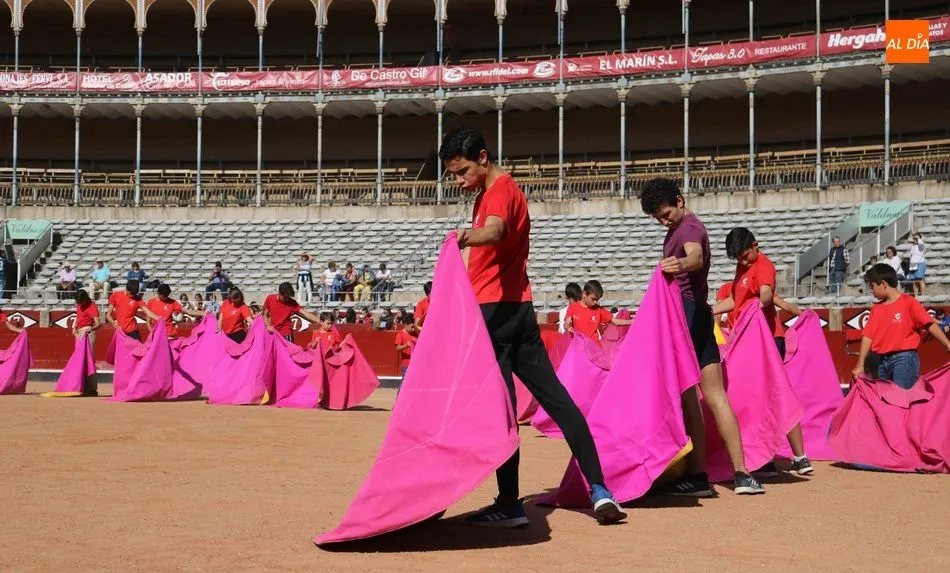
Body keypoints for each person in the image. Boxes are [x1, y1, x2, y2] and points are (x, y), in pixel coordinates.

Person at [440, 126, 625, 527]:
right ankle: (599, 490)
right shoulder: (501, 191)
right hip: (519, 311)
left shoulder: (499, 192)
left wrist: (463, 238)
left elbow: (496, 230)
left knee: (502, 412)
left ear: (484, 159)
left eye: (462, 172)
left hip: (493, 315)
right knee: (557, 400)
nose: (459, 181)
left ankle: (509, 504)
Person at [640, 178, 764, 497]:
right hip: (700, 315)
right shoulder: (678, 229)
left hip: (685, 316)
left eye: (665, 213)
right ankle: (740, 474)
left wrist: (679, 264)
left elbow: (694, 257)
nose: (663, 221)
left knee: (688, 395)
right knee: (713, 394)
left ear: (680, 201)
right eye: (657, 218)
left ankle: (697, 475)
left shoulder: (690, 229)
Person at [711, 227, 814, 477]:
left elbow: (766, 295)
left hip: (766, 340)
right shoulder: (743, 268)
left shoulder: (764, 264)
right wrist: (709, 310)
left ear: (755, 246)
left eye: (745, 255)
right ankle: (765, 455)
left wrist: (756, 304)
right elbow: (735, 302)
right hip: (747, 341)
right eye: (738, 258)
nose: (742, 261)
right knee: (758, 397)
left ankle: (800, 456)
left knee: (777, 394)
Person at [853, 264, 950, 389]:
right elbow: (867, 336)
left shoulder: (909, 302)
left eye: (872, 286)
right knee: (886, 401)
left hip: (904, 359)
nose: (871, 290)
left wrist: (947, 344)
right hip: (882, 361)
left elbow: (929, 324)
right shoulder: (877, 309)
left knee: (902, 399)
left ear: (883, 284)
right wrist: (860, 365)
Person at [563, 280, 632, 342]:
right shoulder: (573, 307)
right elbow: (567, 323)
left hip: (594, 347)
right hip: (578, 346)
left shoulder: (599, 310)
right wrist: (568, 328)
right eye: (593, 299)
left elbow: (615, 321)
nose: (595, 302)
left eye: (597, 300)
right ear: (584, 294)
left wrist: (632, 321)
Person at [72, 289, 101, 396]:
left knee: (88, 360)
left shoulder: (92, 307)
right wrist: (74, 327)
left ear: (85, 299)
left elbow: (98, 324)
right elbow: (78, 317)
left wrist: (90, 329)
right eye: (78, 302)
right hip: (79, 332)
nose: (79, 304)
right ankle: (81, 386)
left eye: (80, 302)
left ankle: (92, 389)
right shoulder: (80, 304)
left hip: (88, 332)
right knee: (79, 360)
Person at [394, 314, 418, 378]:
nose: (413, 329)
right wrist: (406, 346)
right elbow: (397, 348)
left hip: (416, 363)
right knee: (404, 383)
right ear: (406, 325)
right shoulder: (400, 334)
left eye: (413, 327)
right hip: (406, 364)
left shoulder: (415, 334)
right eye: (411, 327)